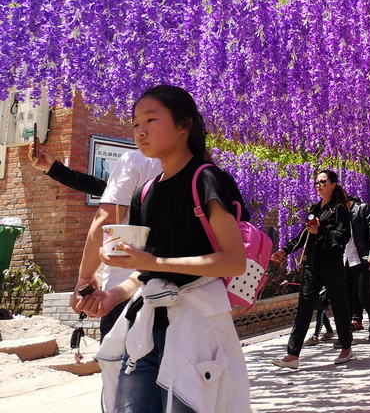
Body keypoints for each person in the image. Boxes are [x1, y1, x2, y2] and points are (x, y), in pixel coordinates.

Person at [78, 84, 250, 412]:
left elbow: (233, 261)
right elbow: (147, 274)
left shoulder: (206, 179)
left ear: (184, 125)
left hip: (196, 325)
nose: (140, 132)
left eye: (151, 120)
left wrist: (154, 259)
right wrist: (112, 295)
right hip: (147, 328)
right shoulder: (143, 193)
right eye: (135, 123)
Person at [30, 145, 163, 339]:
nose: (140, 131)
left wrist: (85, 277)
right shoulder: (204, 171)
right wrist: (56, 170)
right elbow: (107, 188)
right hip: (183, 294)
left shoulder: (137, 160)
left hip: (126, 290)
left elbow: (107, 218)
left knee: (120, 364)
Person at [270, 169, 353, 368]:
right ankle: (293, 355)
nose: (319, 185)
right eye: (317, 182)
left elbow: (343, 236)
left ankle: (346, 346)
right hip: (312, 264)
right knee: (304, 307)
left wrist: (321, 230)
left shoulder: (339, 208)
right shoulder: (315, 209)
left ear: (333, 184)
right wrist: (284, 250)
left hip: (331, 263)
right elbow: (304, 235)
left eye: (323, 182)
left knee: (339, 305)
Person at [343, 193, 370, 341]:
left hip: (361, 258)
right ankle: (346, 334)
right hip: (344, 260)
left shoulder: (362, 208)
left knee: (364, 295)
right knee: (345, 298)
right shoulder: (336, 213)